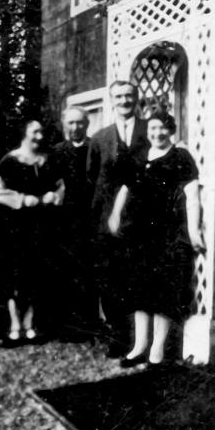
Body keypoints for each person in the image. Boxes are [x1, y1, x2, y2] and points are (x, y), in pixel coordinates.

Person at [108, 109, 204, 366]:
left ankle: (157, 350)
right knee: (140, 288)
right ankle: (139, 346)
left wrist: (193, 231)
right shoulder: (139, 154)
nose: (157, 133)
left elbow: (192, 195)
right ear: (147, 131)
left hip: (168, 230)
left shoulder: (180, 156)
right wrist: (116, 214)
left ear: (171, 130)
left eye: (162, 128)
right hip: (139, 231)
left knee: (162, 291)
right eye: (152, 129)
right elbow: (126, 187)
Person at [86, 80, 149, 353]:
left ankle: (142, 339)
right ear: (112, 101)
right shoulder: (100, 138)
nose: (124, 101)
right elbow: (92, 176)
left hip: (143, 217)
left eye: (129, 96)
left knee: (139, 276)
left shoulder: (150, 131)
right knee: (111, 278)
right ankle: (118, 335)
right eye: (119, 96)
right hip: (107, 220)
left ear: (136, 99)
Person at [0, 120, 64, 343]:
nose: (40, 136)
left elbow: (60, 185)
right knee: (12, 275)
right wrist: (21, 199)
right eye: (35, 132)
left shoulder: (48, 160)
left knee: (36, 275)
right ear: (24, 134)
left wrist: (54, 196)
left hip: (41, 225)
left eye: (42, 131)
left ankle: (31, 322)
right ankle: (14, 323)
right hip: (14, 226)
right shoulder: (10, 161)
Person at [52, 106, 98, 338]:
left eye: (79, 123)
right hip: (64, 222)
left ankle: (89, 325)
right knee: (65, 272)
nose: (75, 127)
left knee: (89, 273)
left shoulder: (95, 149)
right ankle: (67, 325)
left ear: (87, 124)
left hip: (89, 220)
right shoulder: (56, 152)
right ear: (64, 125)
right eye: (70, 123)